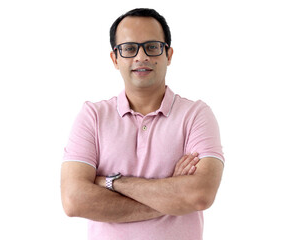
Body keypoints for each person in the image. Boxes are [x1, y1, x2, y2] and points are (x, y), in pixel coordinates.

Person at [61, 8, 224, 240]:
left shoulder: (196, 115)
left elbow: (199, 195)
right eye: (129, 49)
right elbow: (73, 201)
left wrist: (112, 183)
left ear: (168, 55)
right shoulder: (92, 116)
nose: (141, 57)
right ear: (115, 59)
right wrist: (173, 195)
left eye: (152, 47)